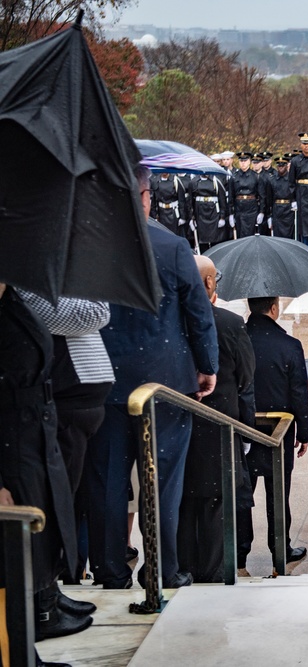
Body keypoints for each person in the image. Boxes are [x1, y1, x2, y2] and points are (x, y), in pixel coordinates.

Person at [86, 164, 219, 591]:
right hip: (164, 381)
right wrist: (207, 366)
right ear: (147, 197)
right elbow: (199, 315)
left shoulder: (89, 242)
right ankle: (161, 569)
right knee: (162, 480)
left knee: (107, 481)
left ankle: (110, 570)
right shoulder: (172, 245)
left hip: (104, 378)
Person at [0, 284, 87, 646]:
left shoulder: (14, 298)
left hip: (31, 437)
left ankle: (26, 645)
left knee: (32, 549)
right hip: (12, 445)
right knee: (13, 558)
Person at [177, 257, 256, 583]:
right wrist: (247, 427)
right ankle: (210, 573)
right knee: (215, 503)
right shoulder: (229, 322)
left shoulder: (170, 319)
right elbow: (246, 377)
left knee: (181, 504)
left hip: (180, 426)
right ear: (209, 285)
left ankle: (181, 568)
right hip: (219, 426)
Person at [237, 296, 308, 576]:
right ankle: (280, 549)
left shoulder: (238, 339)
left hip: (242, 427)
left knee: (243, 494)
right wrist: (303, 432)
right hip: (278, 432)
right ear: (274, 308)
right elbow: (299, 393)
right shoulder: (289, 345)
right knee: (278, 494)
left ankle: (240, 555)